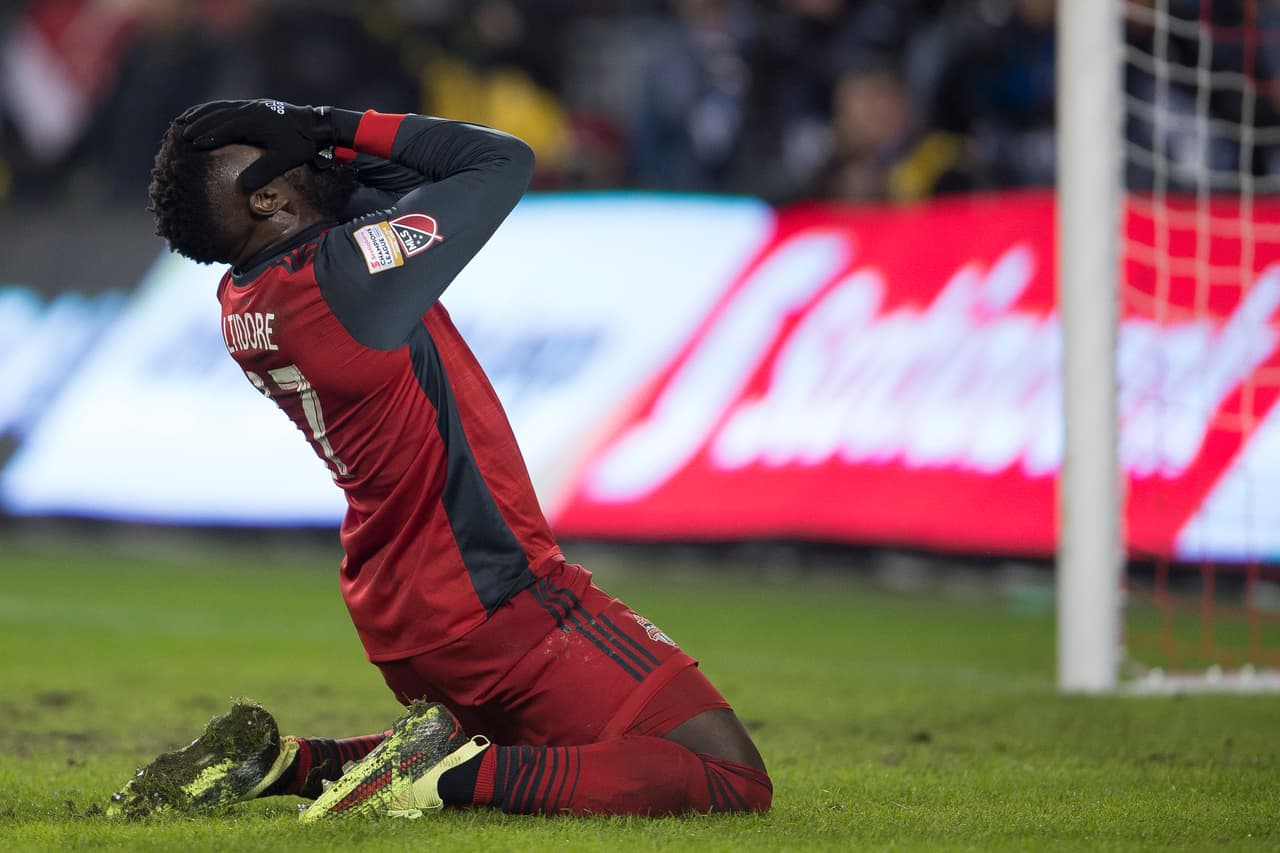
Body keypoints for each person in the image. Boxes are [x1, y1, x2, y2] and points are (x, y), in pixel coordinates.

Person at [107, 99, 771, 820]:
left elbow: (383, 192)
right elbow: (500, 161)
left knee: (548, 753)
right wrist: (327, 123)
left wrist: (316, 158)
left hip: (406, 609)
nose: (297, 150)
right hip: (495, 597)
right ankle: (429, 781)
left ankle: (285, 763)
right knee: (728, 776)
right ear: (267, 198)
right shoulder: (347, 275)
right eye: (273, 152)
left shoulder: (249, 292)